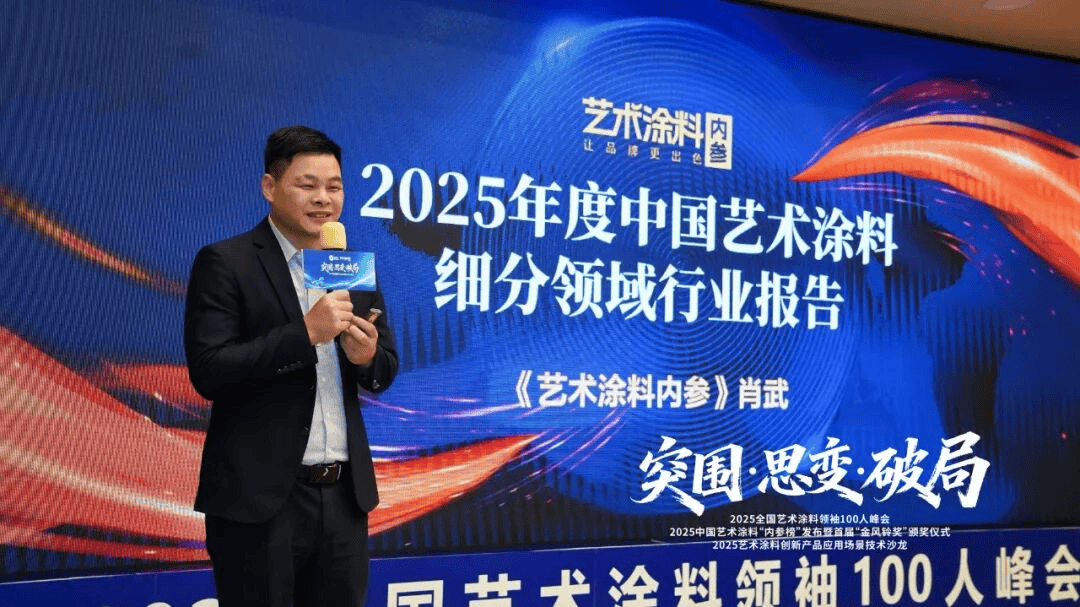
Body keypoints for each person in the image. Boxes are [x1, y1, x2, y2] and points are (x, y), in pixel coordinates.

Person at [184, 125, 397, 607]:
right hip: (260, 503)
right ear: (270, 186)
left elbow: (384, 367)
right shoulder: (227, 262)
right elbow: (210, 369)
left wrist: (366, 358)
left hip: (343, 500)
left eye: (334, 186)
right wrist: (305, 334)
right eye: (308, 184)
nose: (324, 199)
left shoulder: (350, 267)